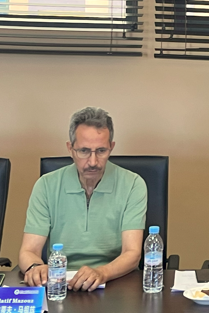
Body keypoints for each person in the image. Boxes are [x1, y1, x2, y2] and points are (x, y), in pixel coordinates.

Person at [19, 107, 147, 291]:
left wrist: (101, 273)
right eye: (84, 151)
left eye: (101, 151)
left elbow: (132, 253)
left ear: (111, 147)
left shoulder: (133, 184)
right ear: (70, 148)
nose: (93, 162)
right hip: (59, 282)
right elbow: (29, 251)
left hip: (115, 282)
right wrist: (35, 268)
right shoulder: (46, 185)